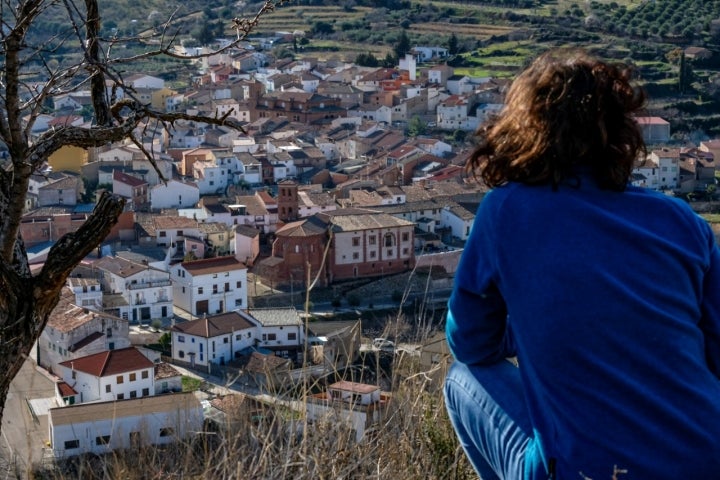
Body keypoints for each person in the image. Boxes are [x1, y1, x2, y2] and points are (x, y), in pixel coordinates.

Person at [443, 48, 720, 480]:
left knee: (461, 379)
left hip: (589, 470)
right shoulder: (683, 222)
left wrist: (542, 325)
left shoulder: (506, 211)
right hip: (706, 460)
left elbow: (472, 344)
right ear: (621, 131)